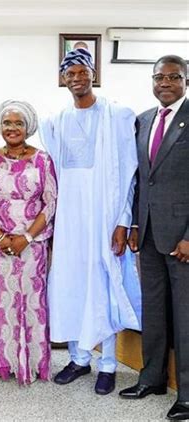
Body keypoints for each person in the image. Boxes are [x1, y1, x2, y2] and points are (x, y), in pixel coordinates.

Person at [40, 48, 141, 395]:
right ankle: (79, 359)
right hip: (70, 221)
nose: (77, 78)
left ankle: (108, 363)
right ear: (64, 79)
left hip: (104, 216)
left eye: (83, 72)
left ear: (93, 74)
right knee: (71, 285)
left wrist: (123, 221)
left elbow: (129, 175)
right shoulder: (54, 123)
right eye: (71, 73)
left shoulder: (118, 116)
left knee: (104, 285)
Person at [119, 55, 189, 420]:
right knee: (154, 311)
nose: (165, 82)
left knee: (186, 316)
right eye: (159, 77)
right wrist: (133, 225)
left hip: (182, 239)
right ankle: (152, 378)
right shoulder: (143, 120)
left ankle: (188, 396)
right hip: (147, 234)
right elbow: (140, 180)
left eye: (173, 77)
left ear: (185, 80)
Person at [0, 100, 57, 385]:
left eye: (18, 123)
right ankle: (1, 362)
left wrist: (27, 237)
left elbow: (51, 202)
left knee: (32, 301)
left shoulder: (43, 160)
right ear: (0, 126)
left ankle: (32, 363)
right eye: (7, 123)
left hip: (33, 244)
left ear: (28, 127)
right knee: (1, 301)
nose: (12, 128)